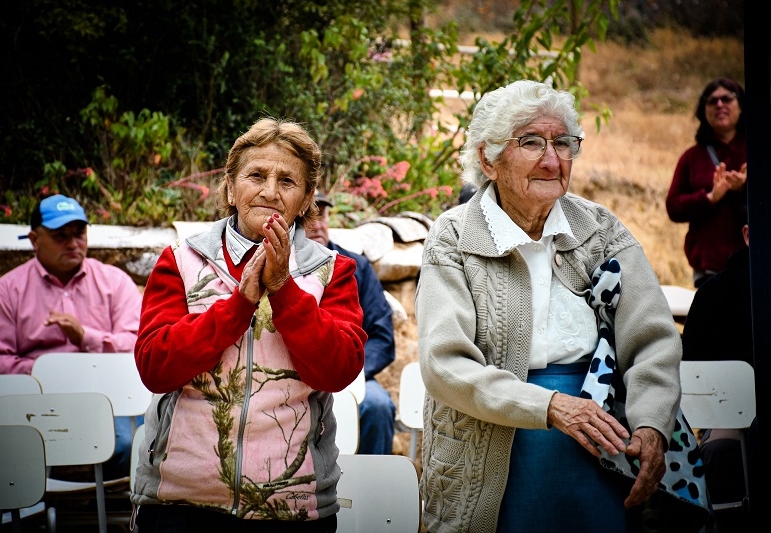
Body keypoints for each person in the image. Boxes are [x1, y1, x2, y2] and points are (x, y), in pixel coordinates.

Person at [415, 80, 695, 533]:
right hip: (495, 442)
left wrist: (650, 423)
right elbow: (444, 363)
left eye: (563, 142)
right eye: (530, 142)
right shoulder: (454, 237)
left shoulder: (601, 229)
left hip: (601, 445)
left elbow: (654, 341)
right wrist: (551, 406)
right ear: (488, 159)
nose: (551, 159)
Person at [130, 117, 366, 532]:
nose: (270, 192)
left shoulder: (333, 271)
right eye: (256, 175)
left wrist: (285, 291)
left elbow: (339, 370)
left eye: (288, 181)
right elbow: (155, 366)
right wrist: (239, 305)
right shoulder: (182, 261)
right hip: (180, 501)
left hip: (293, 504)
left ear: (307, 197)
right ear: (229, 187)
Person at [0, 193, 143, 479]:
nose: (72, 242)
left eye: (79, 233)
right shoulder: (7, 291)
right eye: (60, 235)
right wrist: (50, 372)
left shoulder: (115, 283)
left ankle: (90, 504)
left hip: (107, 398)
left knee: (128, 444)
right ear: (34, 239)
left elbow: (138, 347)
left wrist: (85, 337)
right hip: (35, 403)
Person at [306, 191, 397, 454]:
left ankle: (372, 491)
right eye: (308, 216)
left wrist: (350, 377)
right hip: (298, 379)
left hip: (354, 375)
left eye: (321, 215)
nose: (317, 224)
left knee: (378, 405)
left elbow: (382, 336)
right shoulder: (281, 269)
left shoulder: (357, 267)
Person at [682, 216, 754, 533]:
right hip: (730, 423)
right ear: (748, 235)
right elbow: (695, 374)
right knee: (721, 450)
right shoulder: (716, 294)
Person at [666, 77, 748, 288]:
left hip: (756, 265)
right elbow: (673, 207)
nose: (719, 105)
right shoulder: (691, 157)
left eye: (727, 99)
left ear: (742, 106)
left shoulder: (759, 151)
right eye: (712, 101)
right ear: (704, 111)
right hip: (709, 273)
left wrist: (748, 187)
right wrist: (710, 198)